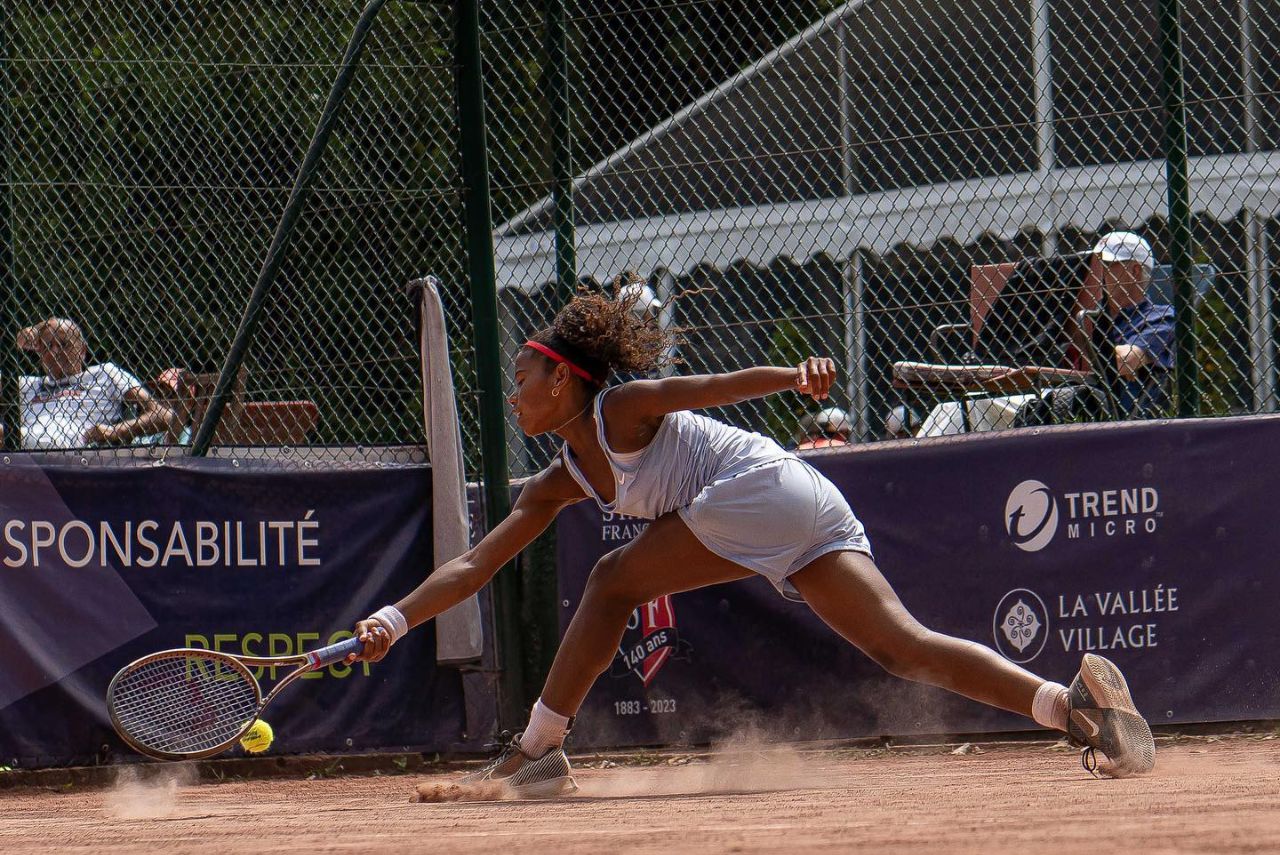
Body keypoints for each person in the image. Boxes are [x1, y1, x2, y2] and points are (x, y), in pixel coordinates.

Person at [346, 288, 1156, 795]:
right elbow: (476, 561)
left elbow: (702, 388)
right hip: (801, 501)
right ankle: (1072, 706)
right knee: (903, 648)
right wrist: (393, 617)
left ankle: (537, 750)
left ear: (562, 378)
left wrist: (791, 379)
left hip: (759, 490)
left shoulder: (618, 409)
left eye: (521, 380)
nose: (514, 397)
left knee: (609, 578)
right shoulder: (563, 476)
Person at [12, 317, 179, 448]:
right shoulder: (27, 384)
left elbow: (164, 415)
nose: (55, 352)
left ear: (82, 350)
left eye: (64, 344)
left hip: (76, 448)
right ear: (39, 351)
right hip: (23, 450)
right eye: (48, 346)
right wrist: (20, 339)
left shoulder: (104, 373)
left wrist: (115, 431)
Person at [1092, 231, 1174, 418]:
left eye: (1106, 265)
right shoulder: (1089, 316)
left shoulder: (1161, 317)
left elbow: (1124, 361)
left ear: (1135, 271)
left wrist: (1086, 348)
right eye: (1094, 265)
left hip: (1127, 421)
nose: (1096, 272)